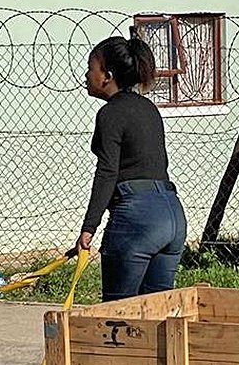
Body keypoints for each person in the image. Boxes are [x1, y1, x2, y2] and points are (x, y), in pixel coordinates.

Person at [75, 35, 187, 301]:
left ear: (107, 76)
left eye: (92, 68)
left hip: (137, 220)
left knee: (118, 314)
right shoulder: (149, 108)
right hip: (171, 215)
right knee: (157, 314)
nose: (86, 74)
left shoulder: (110, 114)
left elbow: (107, 172)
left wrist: (88, 228)